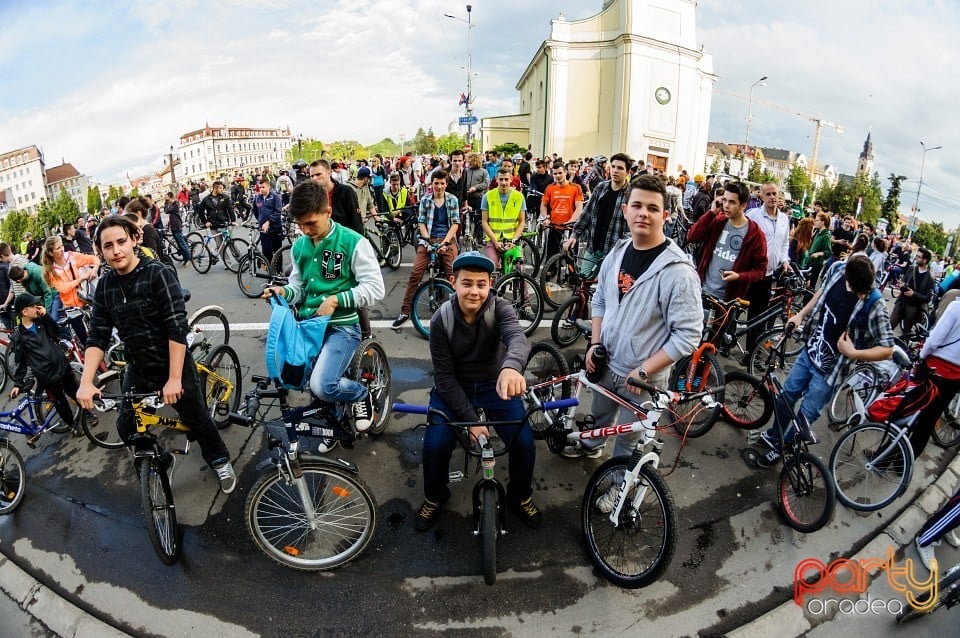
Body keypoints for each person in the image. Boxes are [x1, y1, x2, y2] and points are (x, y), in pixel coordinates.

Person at [76, 216, 237, 492]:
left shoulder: (158, 274)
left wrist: (174, 379)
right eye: (108, 246)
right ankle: (163, 461)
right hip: (138, 367)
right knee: (127, 428)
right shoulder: (105, 287)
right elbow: (97, 335)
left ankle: (220, 460)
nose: (116, 250)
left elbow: (176, 328)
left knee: (196, 419)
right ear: (100, 251)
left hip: (174, 363)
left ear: (134, 240)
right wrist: (86, 381)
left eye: (121, 242)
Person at [562, 175, 703, 464]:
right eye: (637, 205)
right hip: (606, 362)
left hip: (643, 379)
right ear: (625, 210)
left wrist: (644, 370)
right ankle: (591, 447)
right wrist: (595, 343)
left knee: (629, 438)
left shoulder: (678, 272)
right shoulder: (619, 251)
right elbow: (600, 299)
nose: (643, 213)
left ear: (665, 215)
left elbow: (688, 336)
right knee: (599, 418)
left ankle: (617, 488)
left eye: (652, 208)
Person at [414, 251, 539, 531]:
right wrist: (472, 421)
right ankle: (435, 495)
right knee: (435, 446)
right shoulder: (440, 320)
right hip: (453, 388)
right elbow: (444, 378)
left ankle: (521, 494)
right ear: (453, 282)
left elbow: (518, 339)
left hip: (494, 383)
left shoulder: (501, 308)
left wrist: (511, 368)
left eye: (481, 284)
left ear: (489, 284)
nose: (474, 291)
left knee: (524, 443)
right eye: (467, 283)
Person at [261, 181, 384, 450]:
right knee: (296, 379)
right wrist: (282, 292)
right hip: (308, 327)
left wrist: (336, 300)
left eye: (311, 223)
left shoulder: (354, 242)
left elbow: (376, 289)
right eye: (300, 225)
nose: (306, 231)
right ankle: (333, 423)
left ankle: (361, 394)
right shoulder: (300, 247)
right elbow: (299, 288)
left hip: (342, 327)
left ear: (328, 211)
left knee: (322, 385)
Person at [755, 255, 894, 467]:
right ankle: (775, 436)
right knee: (786, 396)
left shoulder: (875, 304)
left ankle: (782, 449)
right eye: (858, 291)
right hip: (810, 352)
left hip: (831, 370)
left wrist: (854, 353)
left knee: (806, 414)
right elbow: (821, 293)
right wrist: (800, 315)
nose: (862, 295)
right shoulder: (838, 270)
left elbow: (887, 349)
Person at [9, 293, 87, 436]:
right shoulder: (19, 336)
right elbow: (20, 361)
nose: (37, 307)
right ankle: (72, 425)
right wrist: (17, 383)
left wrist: (47, 317)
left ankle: (87, 414)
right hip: (47, 375)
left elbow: (56, 334)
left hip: (60, 365)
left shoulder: (41, 322)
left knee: (74, 391)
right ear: (24, 312)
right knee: (60, 401)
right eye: (33, 306)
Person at [392, 171, 461, 329]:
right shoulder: (425, 200)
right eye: (436, 183)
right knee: (416, 273)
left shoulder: (452, 200)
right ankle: (405, 311)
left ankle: (461, 311)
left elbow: (455, 224)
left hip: (447, 239)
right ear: (432, 184)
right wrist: (428, 241)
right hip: (428, 239)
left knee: (453, 273)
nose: (439, 186)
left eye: (442, 183)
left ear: (446, 184)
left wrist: (445, 242)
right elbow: (421, 223)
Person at [687, 181, 767, 303]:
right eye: (724, 200)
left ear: (743, 205)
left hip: (728, 300)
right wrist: (711, 213)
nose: (726, 206)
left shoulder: (755, 234)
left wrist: (740, 277)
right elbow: (692, 236)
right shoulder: (718, 221)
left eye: (732, 202)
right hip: (701, 290)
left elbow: (761, 270)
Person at [564, 153, 632, 277]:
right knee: (583, 283)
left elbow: (632, 228)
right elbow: (587, 213)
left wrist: (622, 248)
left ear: (627, 172)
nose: (615, 170)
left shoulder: (631, 194)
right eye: (613, 166)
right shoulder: (601, 187)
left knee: (606, 290)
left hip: (614, 253)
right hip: (593, 247)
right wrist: (575, 235)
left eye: (620, 168)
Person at [745, 182, 792, 358]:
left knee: (758, 317)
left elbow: (784, 243)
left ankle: (752, 354)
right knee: (737, 309)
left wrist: (785, 260)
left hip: (767, 275)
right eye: (769, 194)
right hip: (750, 272)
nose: (772, 197)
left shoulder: (784, 219)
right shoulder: (754, 215)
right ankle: (726, 341)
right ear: (762, 196)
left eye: (775, 194)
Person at [41, 235, 99, 346]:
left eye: (62, 246)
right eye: (58, 248)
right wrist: (81, 278)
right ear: (51, 253)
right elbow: (63, 288)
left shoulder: (72, 257)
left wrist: (94, 270)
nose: (62, 249)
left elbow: (94, 259)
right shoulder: (51, 270)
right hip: (71, 308)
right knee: (85, 341)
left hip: (86, 301)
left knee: (99, 335)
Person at [480, 167, 526, 268]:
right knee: (491, 267)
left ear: (511, 179)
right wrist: (495, 242)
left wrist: (514, 240)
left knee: (519, 269)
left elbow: (522, 221)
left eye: (506, 179)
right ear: (496, 179)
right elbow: (484, 222)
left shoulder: (519, 197)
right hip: (493, 240)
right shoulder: (487, 196)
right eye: (501, 179)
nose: (503, 182)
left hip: (512, 240)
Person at [539, 161, 584, 261]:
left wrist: (572, 220)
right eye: (555, 173)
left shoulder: (576, 188)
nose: (558, 176)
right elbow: (543, 205)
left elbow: (579, 207)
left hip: (571, 226)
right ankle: (551, 271)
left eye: (560, 173)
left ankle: (572, 274)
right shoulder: (550, 188)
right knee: (551, 256)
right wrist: (546, 217)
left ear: (565, 172)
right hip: (555, 225)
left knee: (572, 258)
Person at [890, 247, 934, 336]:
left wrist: (913, 294)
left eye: (919, 257)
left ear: (925, 260)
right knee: (889, 326)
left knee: (906, 333)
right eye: (916, 256)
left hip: (913, 308)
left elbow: (927, 298)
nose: (916, 258)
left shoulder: (929, 278)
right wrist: (901, 284)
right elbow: (903, 280)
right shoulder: (911, 269)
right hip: (901, 302)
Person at [195, 180, 236, 261]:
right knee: (220, 246)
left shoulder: (225, 197)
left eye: (222, 188)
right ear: (215, 189)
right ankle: (227, 263)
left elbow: (230, 209)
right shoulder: (206, 199)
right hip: (213, 226)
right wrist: (205, 222)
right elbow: (200, 212)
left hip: (225, 224)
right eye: (220, 188)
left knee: (232, 243)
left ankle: (240, 260)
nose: (222, 190)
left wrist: (233, 220)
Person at [806, 212, 833, 288]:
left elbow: (828, 252)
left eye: (817, 220)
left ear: (823, 222)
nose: (815, 222)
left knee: (810, 286)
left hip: (816, 264)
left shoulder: (826, 235)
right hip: (809, 261)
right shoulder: (817, 232)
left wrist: (818, 254)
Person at [164, 191, 191, 264]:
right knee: (179, 245)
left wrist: (166, 203)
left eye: (167, 199)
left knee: (182, 244)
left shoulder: (176, 204)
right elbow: (168, 213)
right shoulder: (171, 204)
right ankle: (185, 258)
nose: (166, 200)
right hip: (173, 227)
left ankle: (188, 258)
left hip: (177, 226)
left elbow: (166, 211)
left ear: (171, 197)